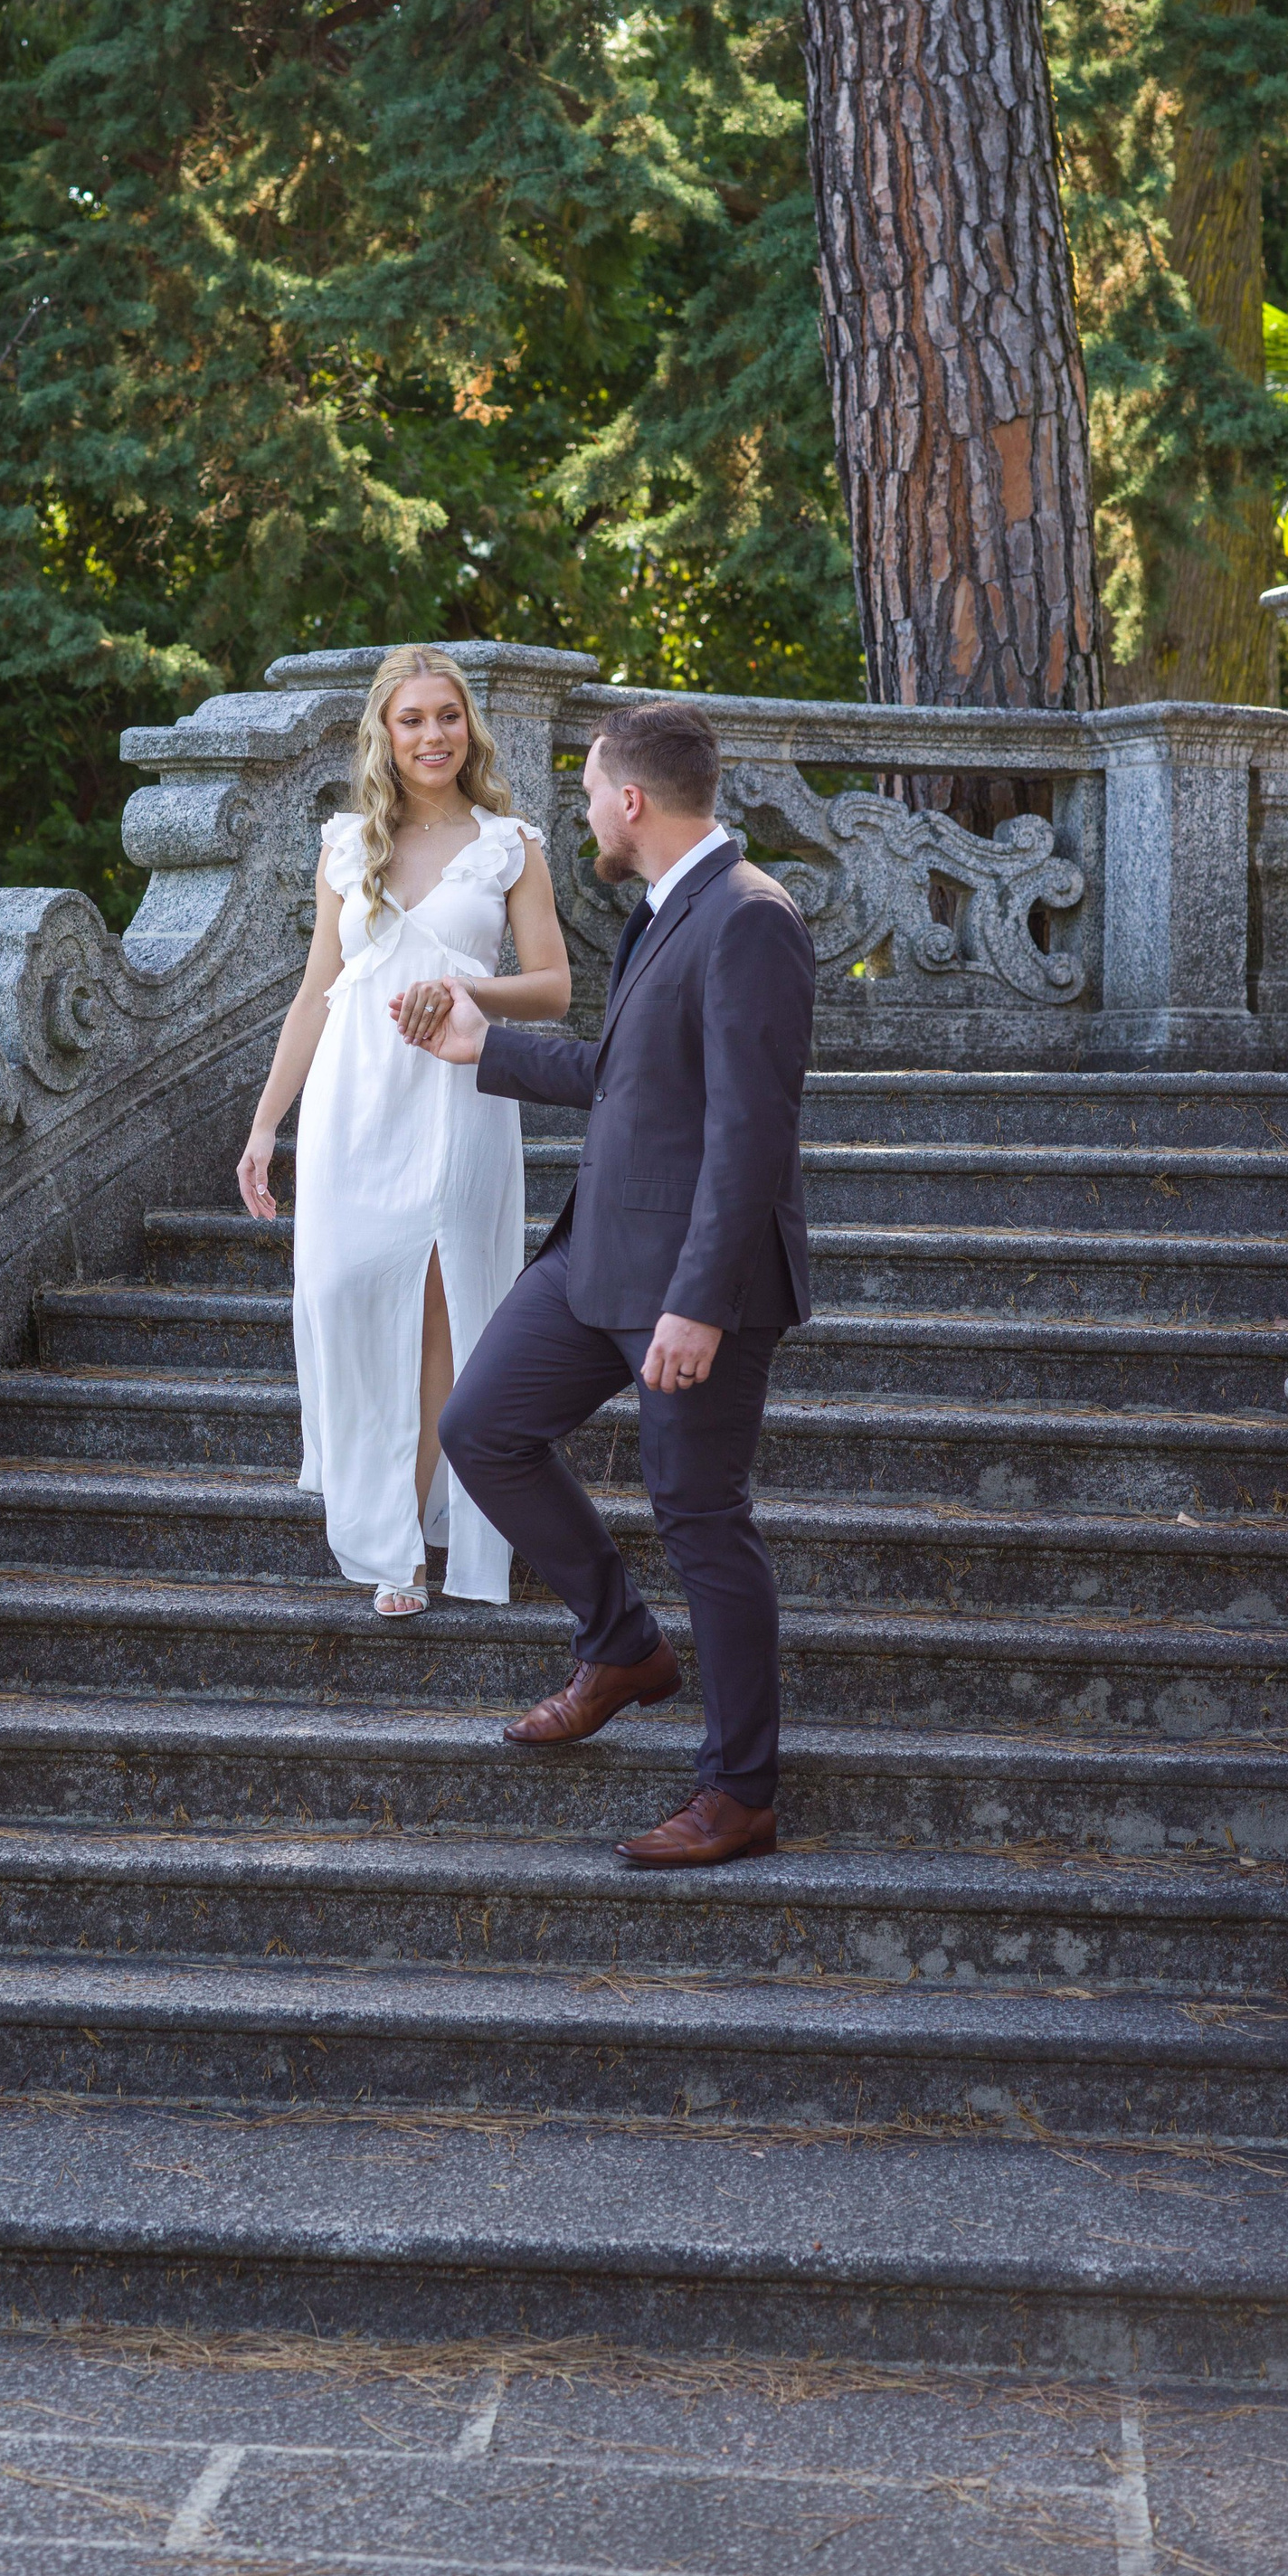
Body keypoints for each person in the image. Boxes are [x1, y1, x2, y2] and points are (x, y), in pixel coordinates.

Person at [399, 696, 813, 1865]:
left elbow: (750, 1133)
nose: (583, 813)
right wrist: (484, 1048)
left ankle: (740, 1793)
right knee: (482, 1428)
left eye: (588, 794)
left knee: (700, 1519)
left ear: (630, 799)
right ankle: (623, 1643)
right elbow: (633, 1081)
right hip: (599, 1254)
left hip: (693, 1278)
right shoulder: (664, 909)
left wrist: (699, 1301)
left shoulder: (749, 917)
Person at [237, 648, 571, 1616]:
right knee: (341, 1292)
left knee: (439, 1309)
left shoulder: (509, 844)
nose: (433, 735)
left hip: (458, 1095)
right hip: (352, 1099)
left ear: (470, 727)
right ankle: (382, 1500)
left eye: (448, 715)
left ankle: (403, 1547)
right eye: (413, 719)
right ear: (384, 734)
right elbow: (315, 992)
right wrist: (265, 1126)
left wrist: (466, 986)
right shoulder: (348, 845)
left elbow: (553, 987)